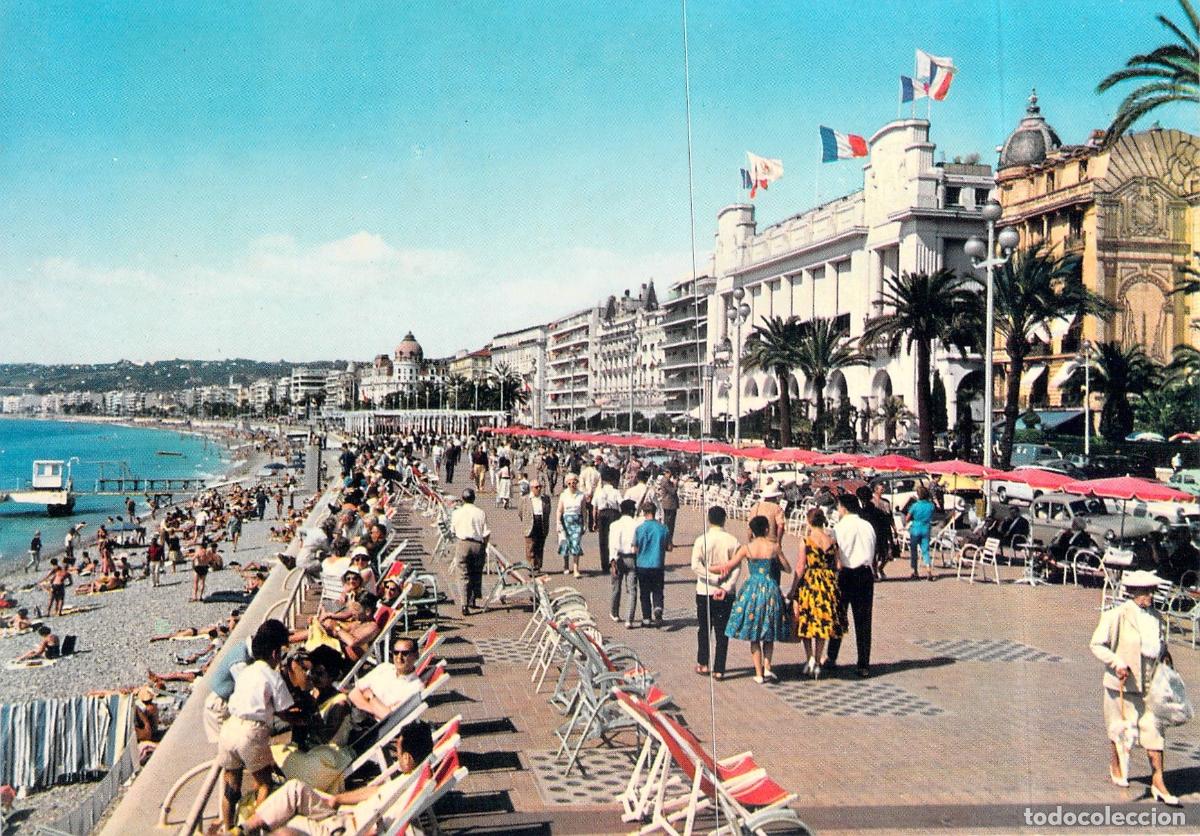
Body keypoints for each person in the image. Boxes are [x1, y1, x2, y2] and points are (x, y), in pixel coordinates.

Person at [233, 720, 435, 836]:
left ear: (408, 757)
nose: (396, 757)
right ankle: (243, 829)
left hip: (345, 831)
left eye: (398, 752)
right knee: (295, 788)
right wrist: (337, 799)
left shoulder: (411, 792)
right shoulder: (412, 777)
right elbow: (375, 791)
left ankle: (250, 828)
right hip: (344, 815)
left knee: (285, 832)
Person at [1089, 570, 1179, 805]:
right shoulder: (1116, 615)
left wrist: (1166, 660)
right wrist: (1116, 662)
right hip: (1123, 684)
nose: (1150, 595)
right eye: (1145, 591)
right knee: (1121, 732)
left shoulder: (1158, 617)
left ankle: (1158, 782)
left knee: (1154, 733)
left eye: (1152, 590)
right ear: (1132, 592)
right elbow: (1097, 644)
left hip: (1151, 687)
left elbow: (1160, 647)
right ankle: (1116, 764)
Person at [217, 621, 299, 831]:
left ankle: (228, 828)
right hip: (250, 732)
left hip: (229, 728)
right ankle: (246, 830)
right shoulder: (272, 676)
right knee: (264, 783)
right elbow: (284, 711)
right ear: (274, 653)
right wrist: (301, 719)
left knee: (231, 785)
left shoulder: (247, 671)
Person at [713, 515, 790, 684]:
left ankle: (758, 673)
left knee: (754, 631)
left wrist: (711, 569)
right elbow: (787, 568)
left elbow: (729, 565)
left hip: (753, 589)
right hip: (770, 588)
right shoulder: (774, 547)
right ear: (766, 529)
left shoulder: (747, 548)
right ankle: (768, 667)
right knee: (769, 629)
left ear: (752, 531)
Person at [204, 620, 289, 744]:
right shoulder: (240, 661)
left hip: (230, 701)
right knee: (226, 749)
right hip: (219, 706)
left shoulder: (249, 647)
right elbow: (248, 692)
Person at [786, 509, 843, 679]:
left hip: (810, 583)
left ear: (809, 522)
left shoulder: (806, 541)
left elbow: (800, 567)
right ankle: (818, 661)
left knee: (807, 621)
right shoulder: (832, 542)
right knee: (822, 622)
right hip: (827, 583)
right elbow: (838, 566)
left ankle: (809, 657)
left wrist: (793, 589)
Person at [827, 493, 877, 678]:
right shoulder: (867, 526)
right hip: (865, 573)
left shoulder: (839, 528)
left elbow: (835, 552)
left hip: (846, 574)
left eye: (839, 507)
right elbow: (873, 549)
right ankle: (863, 663)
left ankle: (832, 657)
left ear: (844, 508)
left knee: (838, 616)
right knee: (864, 620)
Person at [690, 506, 740, 680]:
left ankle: (703, 663)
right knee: (722, 631)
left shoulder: (701, 540)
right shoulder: (733, 541)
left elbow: (695, 565)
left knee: (704, 628)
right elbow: (736, 567)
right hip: (726, 592)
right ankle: (719, 669)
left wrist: (710, 577)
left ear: (709, 520)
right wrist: (726, 586)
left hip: (704, 590)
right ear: (724, 519)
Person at [347, 634, 423, 721]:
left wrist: (371, 697)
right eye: (396, 652)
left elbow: (391, 718)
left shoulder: (416, 687)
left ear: (416, 655)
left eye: (405, 653)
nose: (399, 657)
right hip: (357, 714)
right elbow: (353, 692)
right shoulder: (384, 668)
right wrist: (373, 709)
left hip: (374, 727)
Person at [450, 488, 490, 615]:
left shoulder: (457, 513)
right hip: (478, 544)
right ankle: (473, 599)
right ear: (474, 499)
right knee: (476, 573)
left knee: (462, 574)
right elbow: (487, 532)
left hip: (463, 543)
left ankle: (464, 604)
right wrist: (484, 544)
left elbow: (453, 530)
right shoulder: (480, 512)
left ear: (462, 499)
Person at [634, 501, 670, 627]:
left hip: (642, 564)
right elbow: (669, 547)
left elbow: (635, 548)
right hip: (657, 563)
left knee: (644, 592)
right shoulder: (663, 528)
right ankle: (658, 607)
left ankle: (646, 618)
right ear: (655, 512)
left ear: (644, 513)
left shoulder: (639, 529)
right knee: (658, 589)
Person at [609, 499, 640, 625]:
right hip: (632, 558)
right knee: (632, 590)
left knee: (616, 587)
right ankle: (629, 619)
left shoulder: (615, 525)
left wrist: (612, 561)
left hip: (619, 557)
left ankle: (614, 613)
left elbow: (613, 544)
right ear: (632, 511)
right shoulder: (637, 524)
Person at [592, 468, 622, 574]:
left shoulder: (598, 491)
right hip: (614, 514)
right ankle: (614, 560)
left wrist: (594, 521)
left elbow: (594, 508)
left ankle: (604, 565)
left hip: (602, 514)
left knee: (603, 540)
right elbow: (620, 504)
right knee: (613, 539)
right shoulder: (615, 491)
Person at [557, 473, 586, 577]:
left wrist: (585, 524)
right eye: (570, 482)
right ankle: (566, 565)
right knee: (565, 544)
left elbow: (583, 511)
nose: (572, 484)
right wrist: (558, 523)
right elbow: (559, 511)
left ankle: (576, 569)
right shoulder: (563, 495)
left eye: (574, 481)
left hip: (577, 521)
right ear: (567, 483)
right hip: (566, 521)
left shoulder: (581, 495)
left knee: (576, 543)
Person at [519, 480, 550, 573]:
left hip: (541, 522)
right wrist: (526, 521)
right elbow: (520, 512)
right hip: (530, 523)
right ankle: (531, 567)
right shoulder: (525, 499)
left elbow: (548, 511)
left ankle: (538, 566)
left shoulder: (545, 499)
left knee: (540, 546)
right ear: (532, 488)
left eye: (540, 486)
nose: (539, 489)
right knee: (530, 547)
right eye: (536, 487)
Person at [906, 485, 936, 581]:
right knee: (925, 551)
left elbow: (907, 518)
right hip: (926, 528)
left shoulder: (915, 505)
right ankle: (929, 570)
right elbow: (932, 516)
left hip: (915, 528)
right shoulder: (931, 506)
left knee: (914, 551)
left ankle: (915, 571)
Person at [657, 470, 680, 550]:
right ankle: (668, 543)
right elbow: (673, 491)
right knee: (669, 524)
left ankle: (669, 542)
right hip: (669, 504)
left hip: (670, 504)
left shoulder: (665, 480)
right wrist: (675, 484)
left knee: (670, 524)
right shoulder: (665, 481)